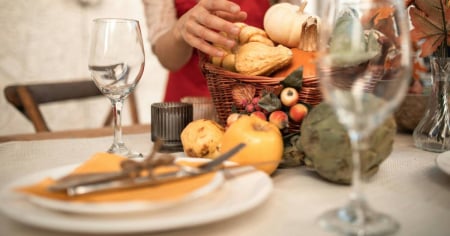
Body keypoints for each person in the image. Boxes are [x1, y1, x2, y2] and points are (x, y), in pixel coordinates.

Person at [142, 0, 291, 102]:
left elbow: (291, 29)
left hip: (259, 107)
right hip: (189, 110)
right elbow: (168, 59)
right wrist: (179, 31)